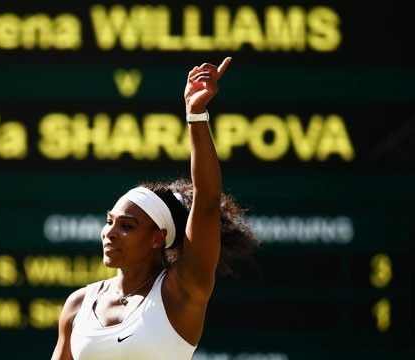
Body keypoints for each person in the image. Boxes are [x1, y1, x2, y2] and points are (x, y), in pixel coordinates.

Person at [51, 57, 260, 360]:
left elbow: (207, 200)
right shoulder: (78, 304)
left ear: (157, 238)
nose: (110, 233)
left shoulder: (181, 292)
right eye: (109, 221)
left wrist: (196, 115)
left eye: (127, 225)